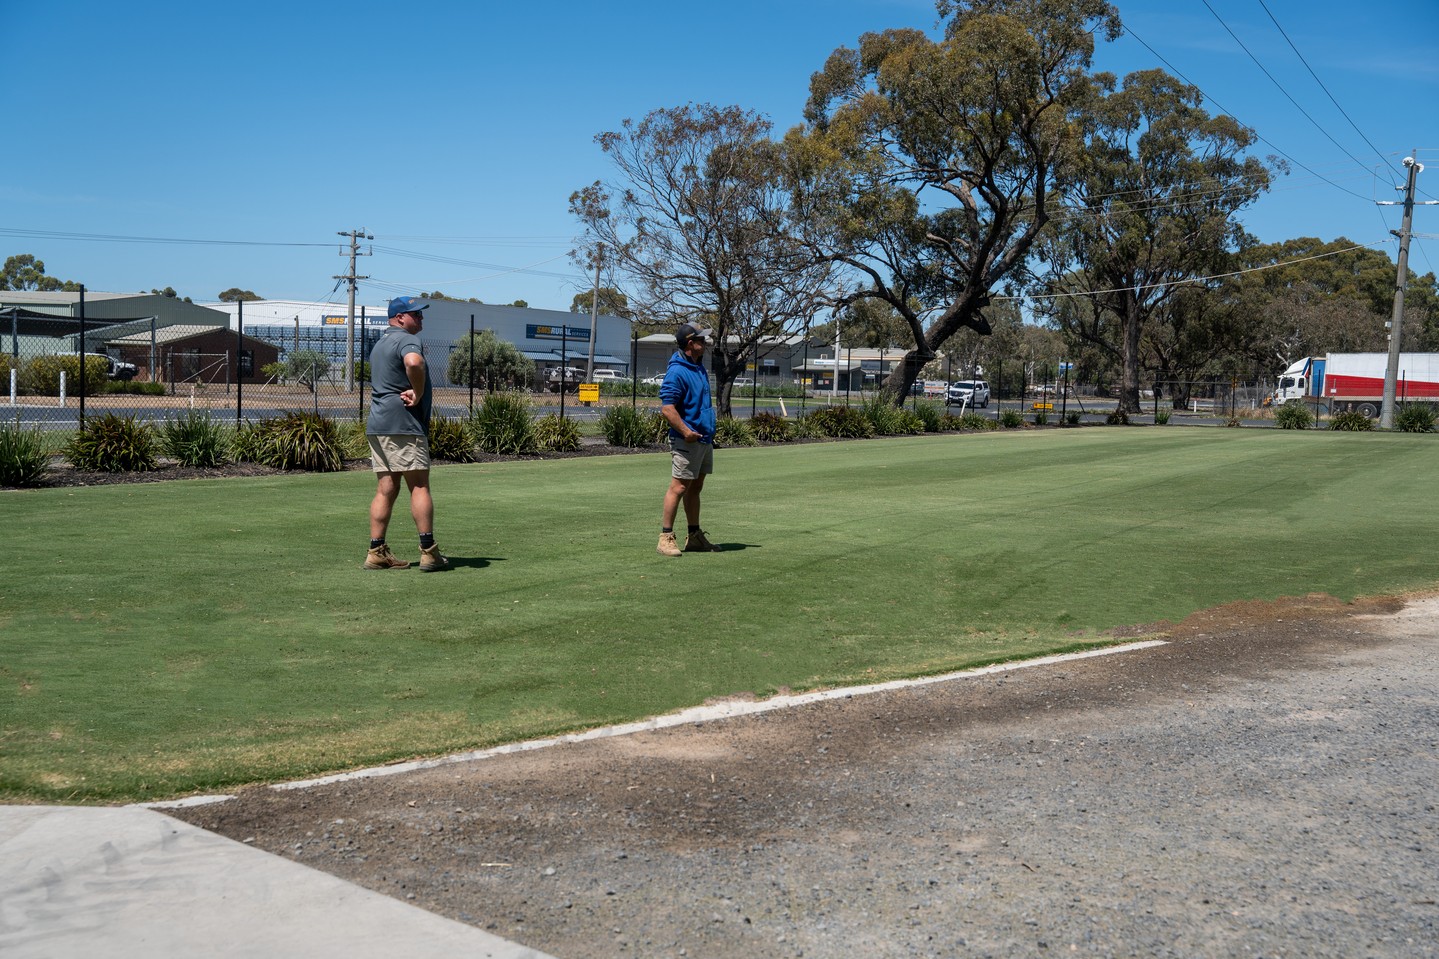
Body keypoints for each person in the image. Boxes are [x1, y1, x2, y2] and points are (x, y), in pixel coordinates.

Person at [363, 295, 450, 572]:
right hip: (404, 424)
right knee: (420, 486)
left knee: (386, 489)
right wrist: (419, 392)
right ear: (400, 318)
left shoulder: (380, 343)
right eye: (416, 314)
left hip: (379, 424)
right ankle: (429, 552)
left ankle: (376, 552)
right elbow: (414, 363)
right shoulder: (405, 340)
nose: (421, 318)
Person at [657, 323, 719, 556]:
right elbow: (667, 409)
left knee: (696, 488)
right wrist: (686, 432)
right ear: (690, 343)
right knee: (679, 487)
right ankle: (665, 538)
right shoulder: (677, 371)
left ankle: (694, 536)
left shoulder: (698, 367)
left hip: (703, 439)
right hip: (687, 440)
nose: (705, 343)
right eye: (701, 340)